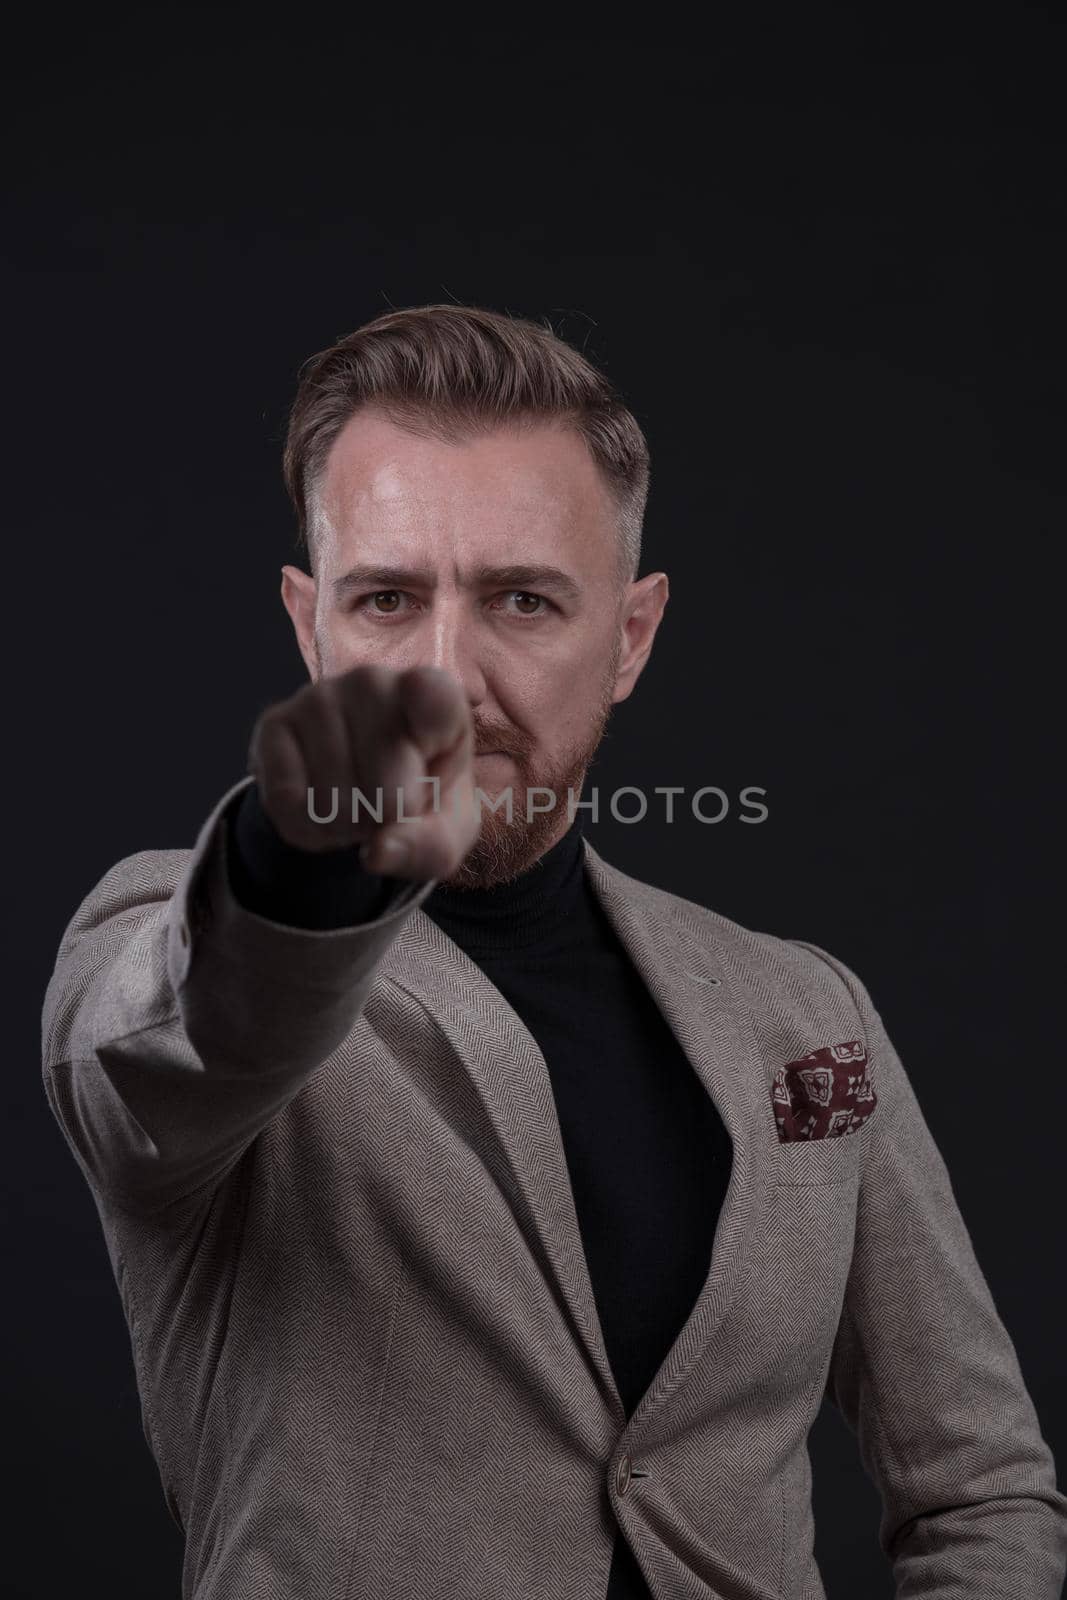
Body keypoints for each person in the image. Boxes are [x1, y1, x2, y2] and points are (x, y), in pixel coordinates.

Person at [42, 304, 1067, 1599]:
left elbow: (979, 1484)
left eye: (522, 599)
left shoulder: (803, 1009)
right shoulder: (162, 941)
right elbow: (190, 1033)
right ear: (311, 627)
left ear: (630, 636)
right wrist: (298, 859)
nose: (445, 675)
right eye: (386, 599)